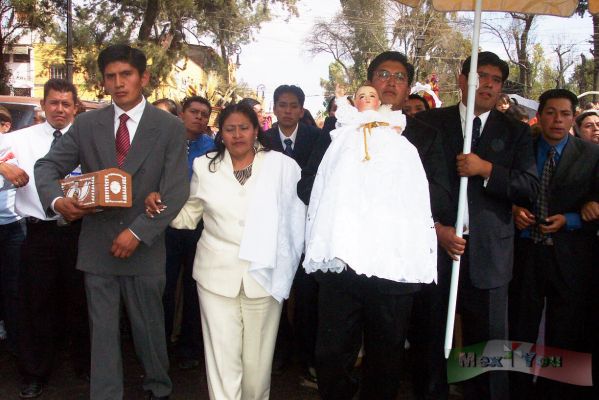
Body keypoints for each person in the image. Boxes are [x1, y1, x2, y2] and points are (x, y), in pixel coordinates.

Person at [34, 44, 189, 400]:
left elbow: (177, 190)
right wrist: (58, 201)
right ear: (103, 82)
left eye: (126, 75)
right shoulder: (87, 124)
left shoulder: (169, 127)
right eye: (111, 77)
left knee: (148, 328)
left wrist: (137, 233)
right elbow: (46, 167)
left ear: (144, 77)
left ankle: (158, 386)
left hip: (144, 246)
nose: (119, 83)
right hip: (97, 246)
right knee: (102, 333)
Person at [298, 51, 451, 400]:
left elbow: (442, 195)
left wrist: (393, 191)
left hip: (394, 265)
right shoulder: (339, 129)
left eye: (400, 76)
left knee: (386, 360)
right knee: (331, 355)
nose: (391, 81)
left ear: (409, 86)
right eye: (383, 74)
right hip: (343, 263)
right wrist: (347, 192)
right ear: (367, 82)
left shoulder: (424, 135)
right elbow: (308, 185)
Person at [145, 103, 306, 400]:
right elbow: (187, 215)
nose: (237, 135)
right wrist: (157, 203)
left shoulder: (281, 166)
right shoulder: (205, 166)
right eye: (229, 129)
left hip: (264, 274)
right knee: (222, 357)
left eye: (243, 128)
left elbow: (298, 220)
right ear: (221, 134)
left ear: (256, 130)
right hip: (215, 275)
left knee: (257, 364)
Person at [414, 51, 539, 400]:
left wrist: (486, 170)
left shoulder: (515, 132)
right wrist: (435, 228)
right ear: (461, 79)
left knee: (487, 347)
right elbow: (409, 186)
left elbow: (529, 187)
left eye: (495, 80)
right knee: (432, 338)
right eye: (480, 76)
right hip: (437, 249)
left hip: (489, 254)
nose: (486, 84)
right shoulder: (430, 124)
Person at [0, 79, 90, 399]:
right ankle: (34, 373)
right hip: (38, 233)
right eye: (54, 103)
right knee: (35, 304)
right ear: (43, 104)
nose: (60, 109)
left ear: (76, 107)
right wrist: (2, 166)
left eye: (66, 104)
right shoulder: (21, 138)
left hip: (79, 232)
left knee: (81, 301)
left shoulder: (87, 139)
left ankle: (84, 364)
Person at [510, 89, 599, 400]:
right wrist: (513, 211)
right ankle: (519, 390)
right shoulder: (521, 148)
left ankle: (555, 391)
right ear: (541, 115)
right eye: (551, 112)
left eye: (564, 114)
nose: (557, 120)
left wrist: (574, 218)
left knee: (565, 331)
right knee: (520, 328)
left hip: (570, 257)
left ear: (573, 117)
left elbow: (596, 204)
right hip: (524, 254)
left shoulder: (591, 154)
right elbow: (502, 189)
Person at [264, 84, 320, 375]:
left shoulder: (317, 138)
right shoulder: (262, 139)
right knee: (274, 291)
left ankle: (305, 354)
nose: (288, 110)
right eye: (282, 105)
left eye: (294, 105)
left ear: (301, 108)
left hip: (308, 228)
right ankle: (279, 348)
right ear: (274, 108)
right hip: (272, 227)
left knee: (307, 294)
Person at [163, 95, 214, 370]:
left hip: (199, 226)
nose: (199, 117)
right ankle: (161, 344)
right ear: (182, 113)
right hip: (164, 224)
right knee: (165, 287)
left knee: (195, 287)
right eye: (193, 112)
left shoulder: (213, 147)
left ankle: (189, 346)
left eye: (204, 114)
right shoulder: (166, 140)